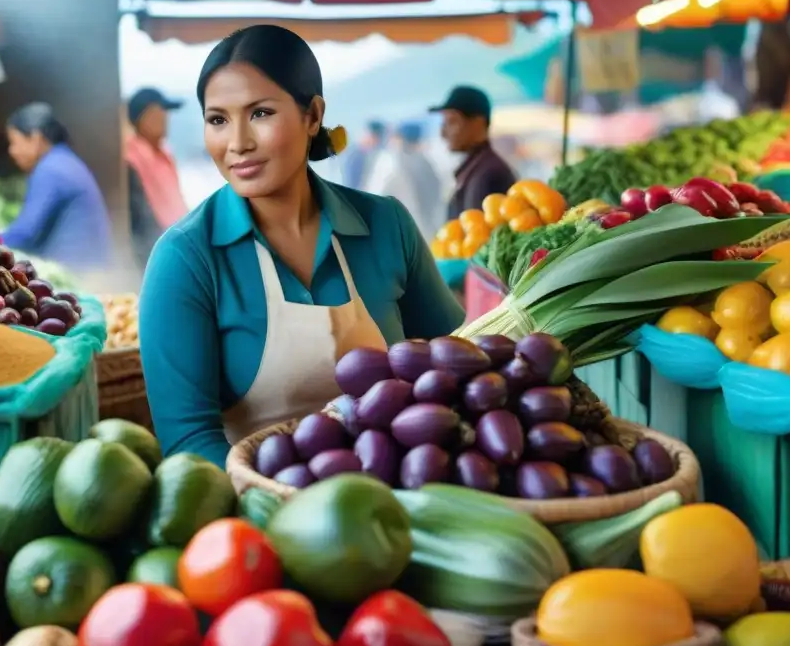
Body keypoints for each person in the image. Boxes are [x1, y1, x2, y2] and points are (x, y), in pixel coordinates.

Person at [139, 25, 464, 466]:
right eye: (218, 119)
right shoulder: (186, 259)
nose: (237, 143)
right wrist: (287, 502)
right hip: (257, 513)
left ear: (313, 116)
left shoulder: (386, 226)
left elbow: (452, 366)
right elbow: (189, 439)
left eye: (260, 114)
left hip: (396, 501)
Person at [1, 102, 114, 271]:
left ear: (36, 138)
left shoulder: (50, 170)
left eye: (15, 142)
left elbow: (25, 233)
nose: (12, 151)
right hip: (94, 268)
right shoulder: (64, 160)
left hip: (78, 274)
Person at [125, 87, 189, 268]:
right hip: (156, 254)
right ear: (141, 118)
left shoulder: (165, 155)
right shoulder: (131, 161)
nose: (165, 118)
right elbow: (142, 222)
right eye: (158, 112)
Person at [430, 85, 516, 220]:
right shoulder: (478, 168)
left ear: (478, 124)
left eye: (452, 122)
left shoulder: (490, 173)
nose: (443, 133)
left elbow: (481, 237)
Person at [364, 121, 444, 239]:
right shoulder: (426, 163)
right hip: (428, 232)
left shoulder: (390, 163)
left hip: (400, 234)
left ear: (399, 138)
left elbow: (373, 198)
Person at [339, 119, 385, 189]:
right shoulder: (355, 155)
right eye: (374, 137)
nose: (376, 142)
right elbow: (351, 182)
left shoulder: (370, 155)